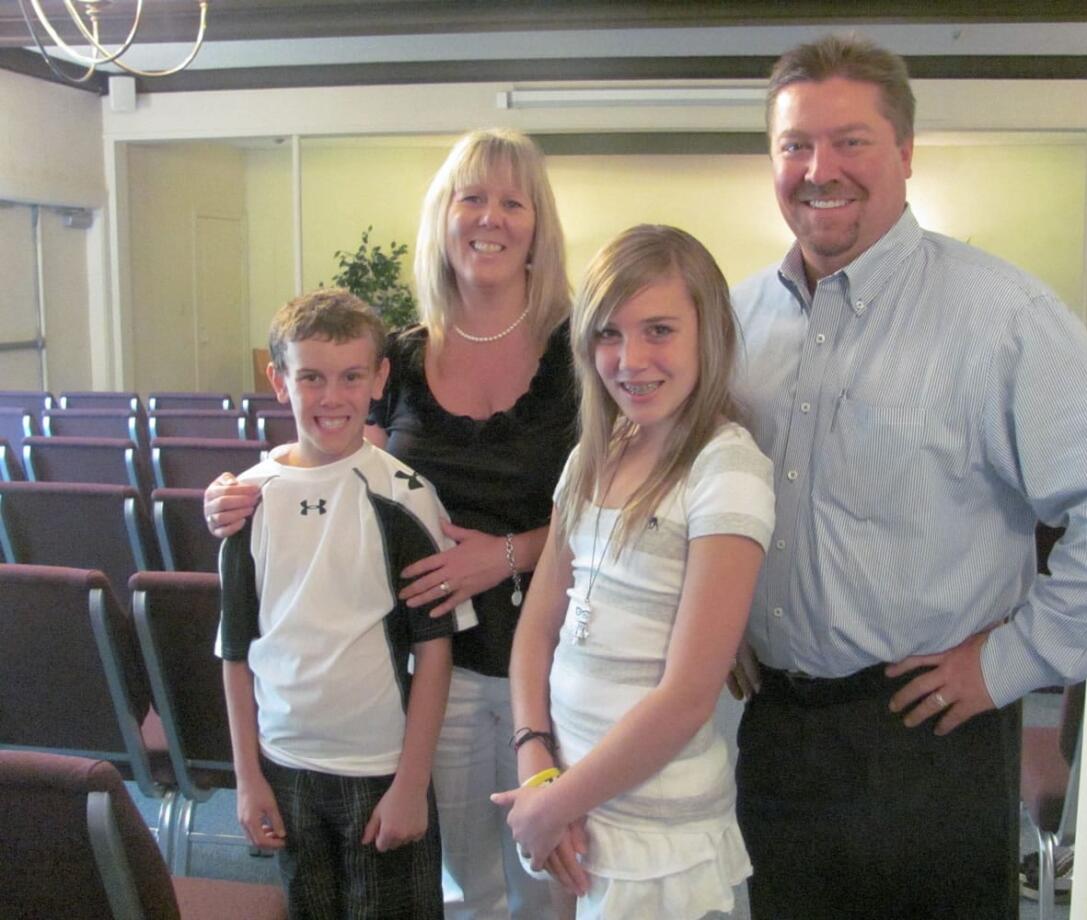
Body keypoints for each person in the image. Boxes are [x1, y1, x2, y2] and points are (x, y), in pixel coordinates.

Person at [731, 34, 1087, 919]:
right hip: (778, 739)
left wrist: (1015, 659)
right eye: (795, 145)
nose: (820, 168)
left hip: (931, 734)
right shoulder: (737, 320)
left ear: (904, 152)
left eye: (851, 140)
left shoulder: (999, 316)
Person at [205, 128, 575, 920]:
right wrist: (239, 489)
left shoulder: (576, 356)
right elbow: (333, 447)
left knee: (549, 887)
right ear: (444, 218)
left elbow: (612, 506)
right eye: (471, 197)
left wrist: (509, 556)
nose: (490, 217)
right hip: (434, 666)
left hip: (551, 660)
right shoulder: (401, 357)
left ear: (538, 224)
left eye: (512, 201)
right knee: (462, 885)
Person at [491, 224, 775, 919]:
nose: (630, 359)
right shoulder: (596, 453)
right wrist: (538, 765)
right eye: (609, 335)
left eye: (658, 330)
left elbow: (686, 698)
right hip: (576, 808)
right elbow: (537, 630)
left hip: (658, 836)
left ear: (706, 334)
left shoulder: (725, 468)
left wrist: (552, 804)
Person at [218, 288, 477, 919]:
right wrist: (248, 777)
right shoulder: (247, 503)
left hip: (380, 769)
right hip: (284, 765)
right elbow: (235, 652)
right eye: (311, 377)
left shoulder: (405, 495)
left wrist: (412, 784)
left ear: (379, 379)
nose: (331, 397)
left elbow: (434, 652)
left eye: (351, 377)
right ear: (278, 381)